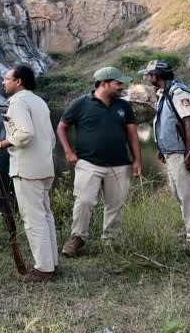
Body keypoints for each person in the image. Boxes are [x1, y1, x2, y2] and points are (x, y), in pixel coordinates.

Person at [0, 65, 59, 282]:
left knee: (33, 218)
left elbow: (25, 133)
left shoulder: (18, 103)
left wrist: (1, 144)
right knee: (45, 216)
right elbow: (50, 137)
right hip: (44, 165)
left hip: (27, 168)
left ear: (18, 81)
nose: (3, 82)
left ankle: (43, 269)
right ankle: (51, 263)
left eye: (7, 79)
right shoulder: (38, 101)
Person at [57, 67, 142, 256]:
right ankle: (77, 239)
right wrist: (69, 152)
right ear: (104, 83)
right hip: (88, 163)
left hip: (120, 164)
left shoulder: (123, 106)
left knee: (115, 205)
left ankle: (111, 241)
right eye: (118, 83)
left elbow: (132, 134)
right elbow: (62, 127)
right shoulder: (79, 104)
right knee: (84, 201)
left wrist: (137, 160)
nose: (121, 87)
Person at [139, 60, 190, 247]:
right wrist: (162, 149)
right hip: (173, 153)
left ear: (156, 75)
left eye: (149, 75)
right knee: (179, 194)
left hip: (182, 153)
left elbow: (189, 122)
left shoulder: (178, 92)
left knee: (189, 196)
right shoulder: (166, 93)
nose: (148, 78)